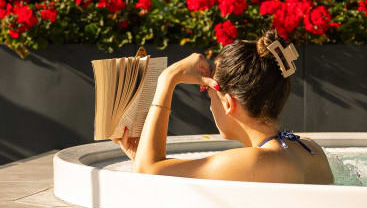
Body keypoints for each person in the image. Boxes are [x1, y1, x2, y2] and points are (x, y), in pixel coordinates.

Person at [112, 30, 334, 184]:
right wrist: (142, 157)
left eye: (210, 97)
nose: (210, 108)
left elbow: (148, 173)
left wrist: (168, 78)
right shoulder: (309, 148)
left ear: (228, 103)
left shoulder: (257, 161)